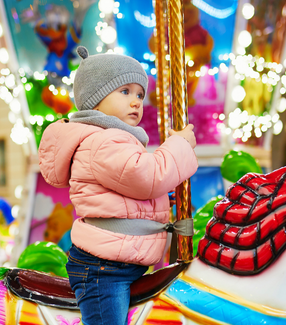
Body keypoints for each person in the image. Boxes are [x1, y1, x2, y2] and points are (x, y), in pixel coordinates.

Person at [38, 46, 198, 325]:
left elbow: (128, 191)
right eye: (124, 92)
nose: (136, 101)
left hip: (120, 262)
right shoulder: (103, 141)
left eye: (139, 94)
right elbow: (147, 177)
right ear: (95, 100)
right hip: (103, 271)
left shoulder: (116, 139)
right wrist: (181, 145)